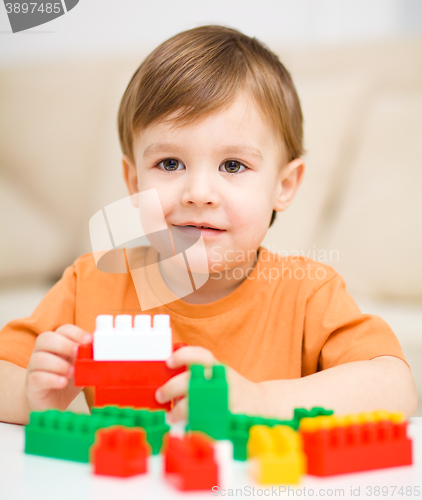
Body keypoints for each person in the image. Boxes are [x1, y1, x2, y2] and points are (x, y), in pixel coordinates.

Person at [0, 25, 417, 425]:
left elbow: (396, 389)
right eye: (170, 163)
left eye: (233, 165)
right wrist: (29, 396)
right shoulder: (89, 284)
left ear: (283, 186)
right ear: (133, 183)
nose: (198, 192)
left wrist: (261, 400)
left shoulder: (307, 294)